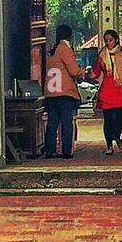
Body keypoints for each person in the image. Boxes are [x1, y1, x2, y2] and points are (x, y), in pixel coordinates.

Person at [44, 25, 85, 159]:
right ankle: (66, 151)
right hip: (64, 92)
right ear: (70, 36)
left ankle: (50, 150)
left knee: (52, 122)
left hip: (51, 92)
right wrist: (83, 71)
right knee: (66, 122)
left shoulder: (52, 50)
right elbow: (73, 70)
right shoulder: (64, 49)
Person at [91, 29, 122, 155]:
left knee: (121, 117)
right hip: (107, 89)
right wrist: (87, 74)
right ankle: (109, 145)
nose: (108, 43)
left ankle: (117, 135)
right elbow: (96, 72)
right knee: (108, 119)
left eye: (111, 40)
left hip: (120, 88)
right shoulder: (102, 54)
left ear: (116, 40)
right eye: (106, 41)